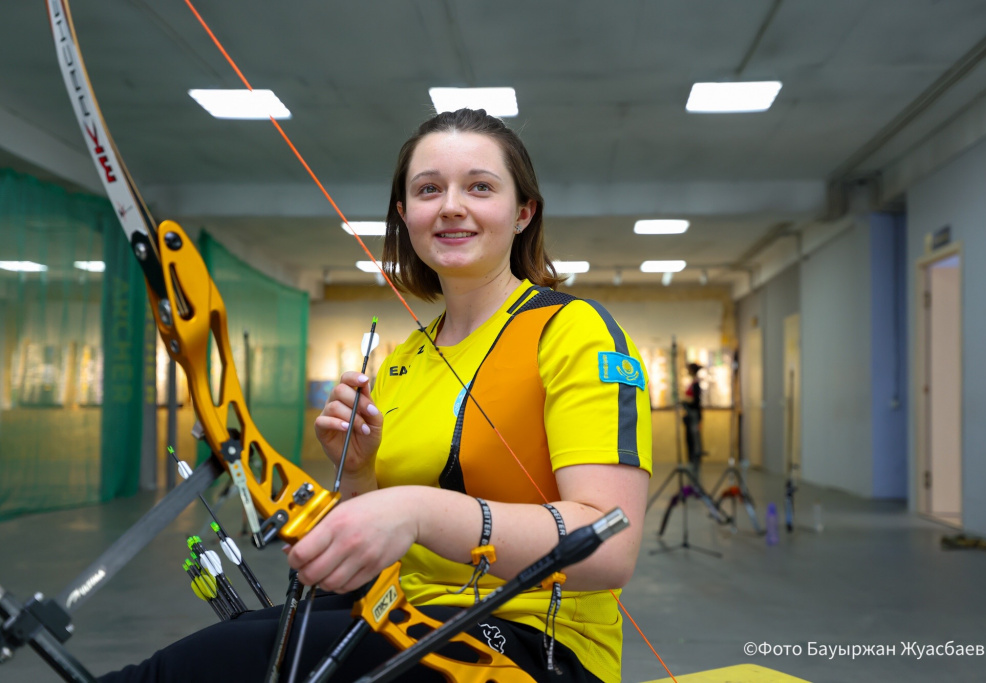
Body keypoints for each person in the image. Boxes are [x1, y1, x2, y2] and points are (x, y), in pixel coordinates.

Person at [100, 108, 652, 683]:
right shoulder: (403, 360)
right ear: (405, 214)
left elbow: (609, 548)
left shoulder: (571, 330)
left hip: (532, 646)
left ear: (523, 213)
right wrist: (359, 473)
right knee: (230, 643)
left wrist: (417, 511)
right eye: (428, 189)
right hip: (400, 614)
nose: (451, 205)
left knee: (201, 669)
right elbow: (375, 556)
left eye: (480, 187)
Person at [682, 363, 703, 476]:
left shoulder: (696, 384)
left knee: (694, 439)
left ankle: (694, 460)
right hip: (691, 414)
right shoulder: (693, 383)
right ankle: (691, 459)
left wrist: (686, 402)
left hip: (693, 415)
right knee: (690, 438)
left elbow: (696, 402)